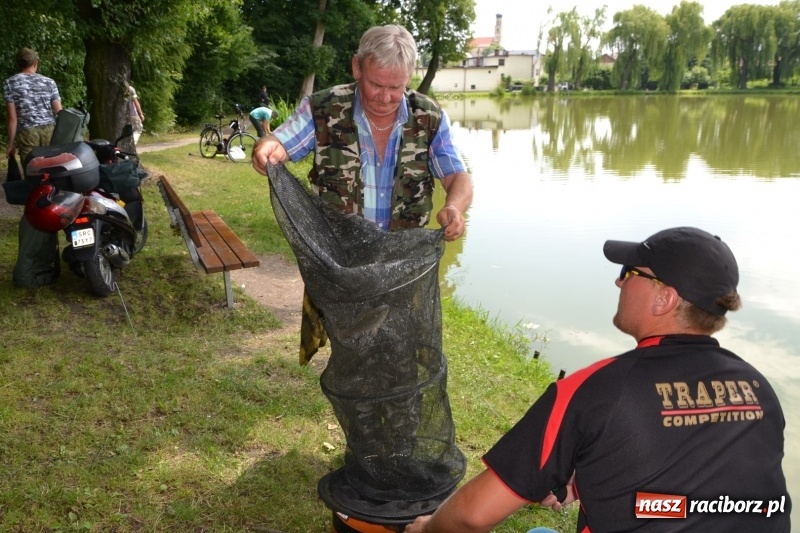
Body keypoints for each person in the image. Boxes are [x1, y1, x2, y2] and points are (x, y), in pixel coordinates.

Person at [405, 226, 791, 533]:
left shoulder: (596, 390)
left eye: (630, 273)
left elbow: (472, 517)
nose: (619, 283)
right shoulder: (759, 389)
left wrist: (426, 528)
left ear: (665, 299)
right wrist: (599, 480)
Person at [252, 24, 472, 363]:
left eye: (396, 87)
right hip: (342, 268)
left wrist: (455, 207)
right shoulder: (322, 108)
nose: (385, 96)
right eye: (375, 84)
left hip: (401, 269)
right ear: (357, 67)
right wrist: (268, 148)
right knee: (351, 354)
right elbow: (281, 141)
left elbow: (457, 175)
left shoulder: (428, 117)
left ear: (408, 78)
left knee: (400, 355)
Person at [4, 47, 62, 162]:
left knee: (31, 168)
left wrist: (11, 144)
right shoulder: (49, 82)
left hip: (27, 133)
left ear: (18, 64)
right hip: (49, 131)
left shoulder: (10, 83)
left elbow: (12, 118)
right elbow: (59, 112)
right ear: (35, 63)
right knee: (51, 165)